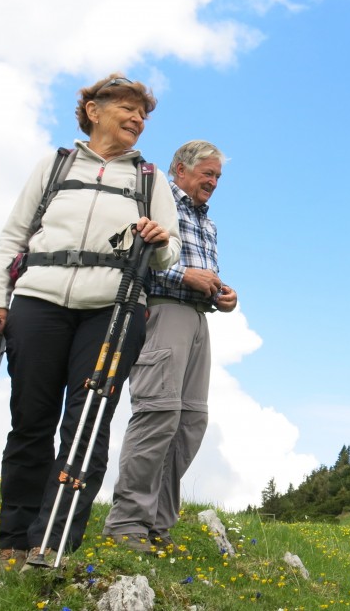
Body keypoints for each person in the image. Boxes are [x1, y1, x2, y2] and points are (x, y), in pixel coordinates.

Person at [0, 74, 181, 573]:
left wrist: (157, 239)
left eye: (144, 114)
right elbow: (14, 237)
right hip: (38, 300)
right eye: (128, 109)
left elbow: (169, 251)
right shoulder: (55, 165)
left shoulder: (150, 179)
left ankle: (51, 546)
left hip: (114, 309)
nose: (138, 119)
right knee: (30, 419)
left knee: (87, 425)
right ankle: (11, 546)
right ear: (93, 110)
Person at [103, 140, 237, 553]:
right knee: (157, 415)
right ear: (181, 169)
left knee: (189, 423)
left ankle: (158, 525)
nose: (213, 182)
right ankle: (126, 524)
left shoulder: (208, 223)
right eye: (207, 174)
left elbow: (204, 272)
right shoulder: (157, 201)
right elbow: (130, 255)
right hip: (160, 312)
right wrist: (185, 277)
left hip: (198, 320)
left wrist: (221, 293)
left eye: (217, 176)